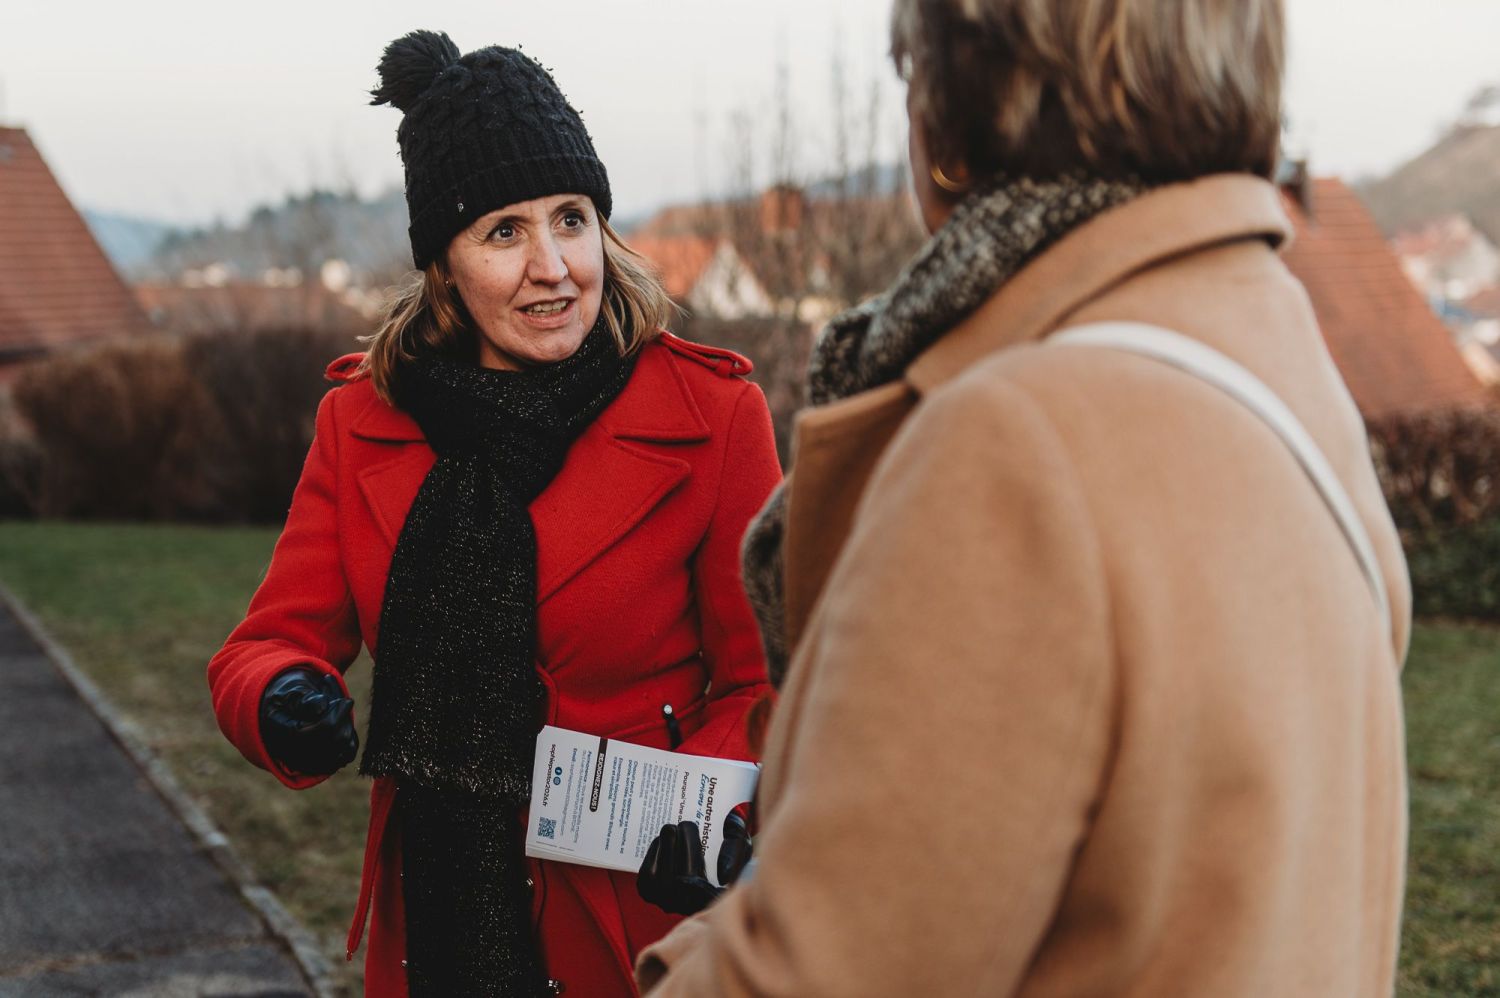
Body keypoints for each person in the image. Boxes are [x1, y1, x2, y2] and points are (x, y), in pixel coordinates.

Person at [636, 0, 1411, 995]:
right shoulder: (1276, 348)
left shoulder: (1015, 441)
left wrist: (693, 956)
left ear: (958, 114)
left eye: (911, 73)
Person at [207, 30, 780, 998]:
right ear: (446, 264)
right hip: (433, 917)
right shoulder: (363, 423)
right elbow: (266, 643)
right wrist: (280, 697)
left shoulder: (713, 417)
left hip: (638, 918)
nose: (554, 266)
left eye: (572, 217)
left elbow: (765, 680)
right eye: (505, 231)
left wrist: (721, 809)